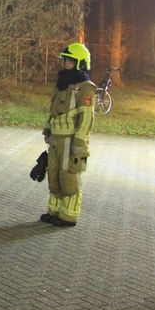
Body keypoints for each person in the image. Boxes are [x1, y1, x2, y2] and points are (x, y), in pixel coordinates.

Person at [40, 43, 97, 227]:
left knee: (68, 178)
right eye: (65, 60)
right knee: (54, 176)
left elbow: (86, 118)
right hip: (56, 138)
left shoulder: (86, 88)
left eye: (70, 60)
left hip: (70, 139)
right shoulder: (62, 83)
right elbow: (54, 111)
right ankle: (54, 210)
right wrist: (48, 130)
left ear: (80, 63)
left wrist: (79, 144)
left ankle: (69, 215)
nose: (66, 63)